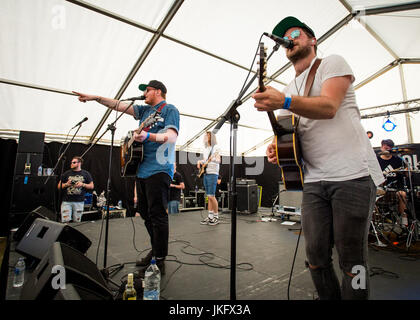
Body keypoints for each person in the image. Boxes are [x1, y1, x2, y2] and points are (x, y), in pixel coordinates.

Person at [252, 16, 384, 300]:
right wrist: (277, 147)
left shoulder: (331, 63)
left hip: (353, 175)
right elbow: (288, 134)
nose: (289, 38)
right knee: (315, 257)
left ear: (312, 40)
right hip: (313, 180)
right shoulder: (288, 87)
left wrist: (284, 102)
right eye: (284, 37)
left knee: (352, 260)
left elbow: (329, 107)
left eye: (295, 32)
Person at [73, 80, 179, 275]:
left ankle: (160, 258)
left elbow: (172, 137)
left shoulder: (169, 109)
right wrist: (96, 98)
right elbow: (118, 105)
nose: (144, 93)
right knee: (145, 214)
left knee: (157, 214)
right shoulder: (143, 111)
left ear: (157, 91)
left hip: (160, 168)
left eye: (147, 90)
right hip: (142, 169)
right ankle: (155, 250)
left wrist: (149, 137)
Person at [377, 139, 408, 227]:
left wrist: (406, 171)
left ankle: (403, 218)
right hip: (380, 187)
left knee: (402, 194)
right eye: (385, 147)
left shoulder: (398, 160)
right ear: (381, 147)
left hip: (396, 187)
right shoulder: (376, 160)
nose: (387, 149)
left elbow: (407, 174)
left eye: (389, 148)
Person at [57, 156, 94, 223]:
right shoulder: (66, 173)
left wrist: (82, 184)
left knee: (77, 221)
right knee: (65, 221)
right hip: (66, 201)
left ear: (79, 163)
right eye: (71, 162)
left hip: (79, 201)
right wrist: (66, 184)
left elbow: (92, 186)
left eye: (74, 162)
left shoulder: (86, 174)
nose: (72, 164)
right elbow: (59, 186)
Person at [197, 131, 221, 226]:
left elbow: (218, 160)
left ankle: (216, 216)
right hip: (206, 173)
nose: (204, 137)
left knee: (212, 196)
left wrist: (212, 159)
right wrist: (200, 161)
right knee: (209, 196)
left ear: (211, 137)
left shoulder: (216, 147)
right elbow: (205, 160)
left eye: (206, 136)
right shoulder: (205, 149)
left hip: (213, 173)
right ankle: (210, 216)